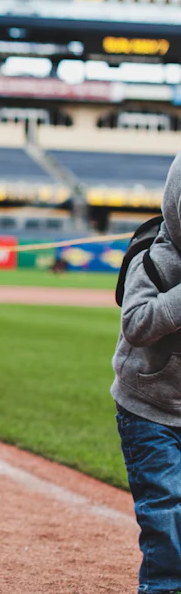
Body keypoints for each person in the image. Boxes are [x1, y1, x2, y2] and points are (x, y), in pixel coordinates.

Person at [112, 152, 181, 594]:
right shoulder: (152, 256)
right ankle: (164, 587)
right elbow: (135, 322)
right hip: (149, 411)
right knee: (165, 512)